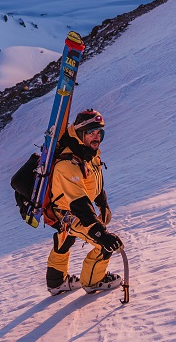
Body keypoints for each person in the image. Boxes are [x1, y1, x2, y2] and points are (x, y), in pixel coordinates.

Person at [45, 109, 124, 295]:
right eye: (91, 133)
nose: (96, 137)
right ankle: (93, 281)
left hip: (68, 207)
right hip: (68, 212)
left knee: (65, 240)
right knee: (104, 244)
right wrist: (101, 233)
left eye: (99, 133)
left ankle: (56, 283)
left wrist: (101, 201)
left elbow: (91, 180)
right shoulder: (68, 163)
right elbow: (79, 204)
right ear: (80, 134)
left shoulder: (88, 152)